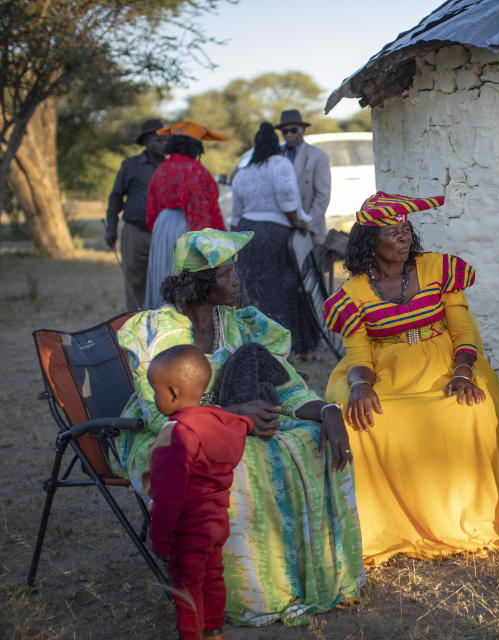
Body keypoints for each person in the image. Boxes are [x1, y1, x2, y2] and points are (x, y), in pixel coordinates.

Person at [116, 229, 364, 626]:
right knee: (244, 462)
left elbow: (286, 386)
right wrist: (232, 415)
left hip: (237, 422)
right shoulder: (155, 331)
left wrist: (329, 411)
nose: (237, 281)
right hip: (169, 437)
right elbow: (160, 412)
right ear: (199, 283)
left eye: (235, 272)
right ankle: (253, 590)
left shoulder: (244, 324)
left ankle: (305, 574)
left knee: (307, 440)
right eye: (227, 274)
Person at [322, 192, 499, 566]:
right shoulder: (355, 292)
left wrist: (463, 372)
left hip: (446, 363)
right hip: (385, 368)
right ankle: (387, 527)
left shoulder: (438, 268)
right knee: (364, 419)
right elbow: (359, 355)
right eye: (392, 232)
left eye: (406, 229)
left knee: (468, 409)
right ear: (370, 242)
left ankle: (465, 520)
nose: (403, 237)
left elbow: (463, 329)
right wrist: (360, 386)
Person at [145, 344, 253, 640]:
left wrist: (161, 541)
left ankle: (191, 635)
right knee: (212, 576)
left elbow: (169, 497)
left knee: (186, 585)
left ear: (173, 393)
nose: (154, 398)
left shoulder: (177, 434)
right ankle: (214, 631)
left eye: (156, 391)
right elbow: (243, 426)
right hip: (217, 521)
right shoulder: (219, 422)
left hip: (187, 526)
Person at [231, 121, 318, 360]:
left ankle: (252, 345)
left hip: (246, 233)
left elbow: (235, 216)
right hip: (275, 234)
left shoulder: (243, 173)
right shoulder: (280, 164)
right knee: (284, 290)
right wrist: (299, 223)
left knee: (252, 290)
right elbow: (287, 200)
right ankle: (289, 345)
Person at [144, 121, 227, 309]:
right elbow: (204, 213)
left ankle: (163, 314)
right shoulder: (197, 171)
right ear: (195, 146)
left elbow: (151, 210)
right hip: (185, 228)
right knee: (186, 278)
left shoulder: (161, 169)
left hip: (163, 226)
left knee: (164, 273)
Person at [105, 118, 166, 310]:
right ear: (145, 142)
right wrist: (111, 227)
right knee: (135, 282)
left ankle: (160, 328)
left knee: (163, 281)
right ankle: (135, 327)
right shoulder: (131, 165)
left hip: (162, 233)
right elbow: (115, 197)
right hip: (135, 232)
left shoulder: (171, 166)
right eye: (157, 139)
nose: (162, 143)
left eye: (165, 139)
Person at [276, 109, 331, 243]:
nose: (289, 135)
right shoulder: (276, 155)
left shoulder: (318, 156)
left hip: (310, 229)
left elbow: (322, 196)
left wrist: (307, 223)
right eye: (285, 132)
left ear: (303, 130)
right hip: (283, 228)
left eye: (293, 130)